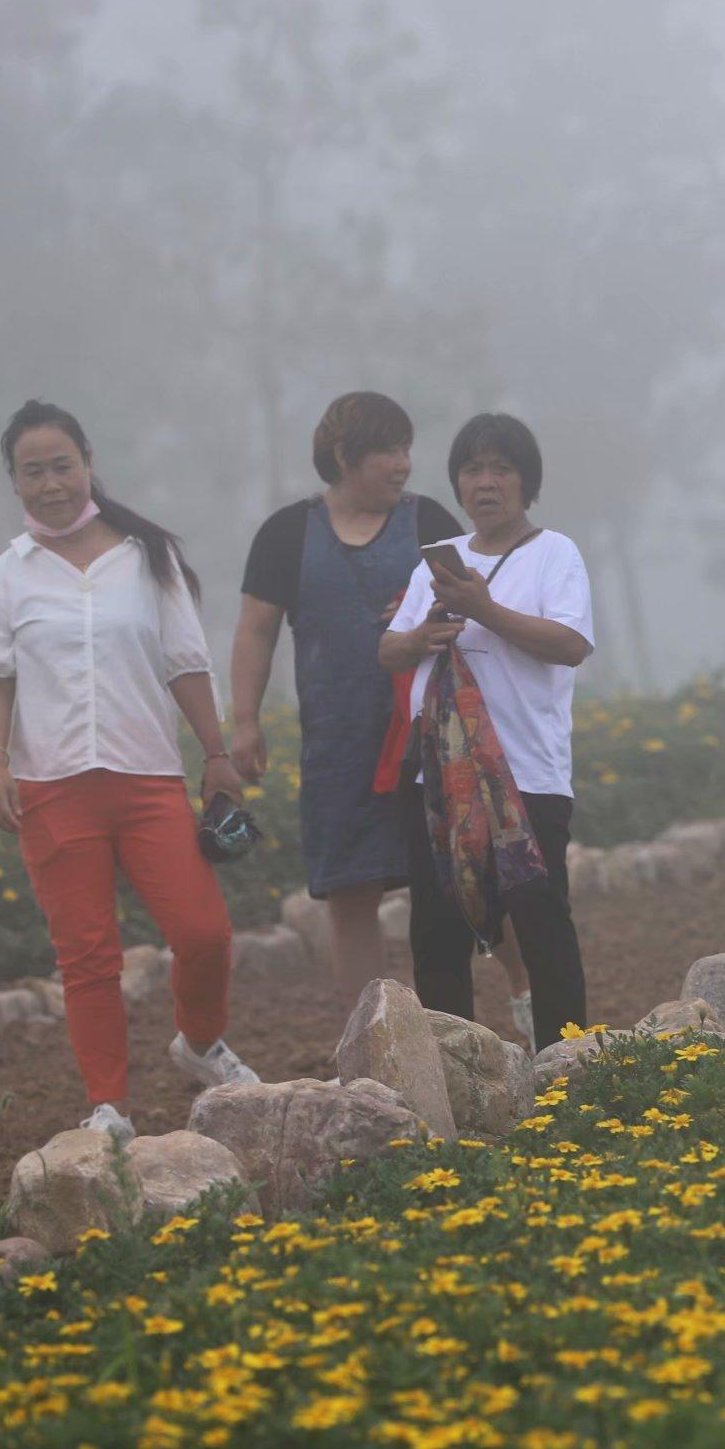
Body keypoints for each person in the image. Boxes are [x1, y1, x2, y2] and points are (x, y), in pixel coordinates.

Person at [0, 400, 259, 1143]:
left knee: (203, 933)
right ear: (15, 483)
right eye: (33, 472)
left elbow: (185, 664)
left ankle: (198, 1043)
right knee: (86, 958)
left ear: (88, 464)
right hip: (53, 789)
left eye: (62, 465)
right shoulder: (8, 575)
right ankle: (110, 1109)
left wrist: (216, 754)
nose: (51, 483)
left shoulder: (146, 556)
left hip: (147, 779)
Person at [226, 392, 538, 1025]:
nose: (402, 464)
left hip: (436, 733)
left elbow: (482, 606)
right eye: (387, 451)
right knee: (350, 893)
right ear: (344, 456)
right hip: (338, 745)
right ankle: (374, 1046)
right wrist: (246, 720)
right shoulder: (286, 535)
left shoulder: (428, 523)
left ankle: (530, 999)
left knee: (475, 869)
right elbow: (255, 630)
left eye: (406, 450)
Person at [381, 413, 592, 1054]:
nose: (486, 482)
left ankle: (568, 1073)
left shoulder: (554, 553)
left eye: (501, 468)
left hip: (528, 776)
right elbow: (390, 650)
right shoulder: (435, 567)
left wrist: (484, 611)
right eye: (472, 470)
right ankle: (457, 1075)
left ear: (526, 481)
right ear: (457, 483)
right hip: (441, 781)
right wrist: (424, 636)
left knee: (541, 927)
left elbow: (571, 643)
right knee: (438, 936)